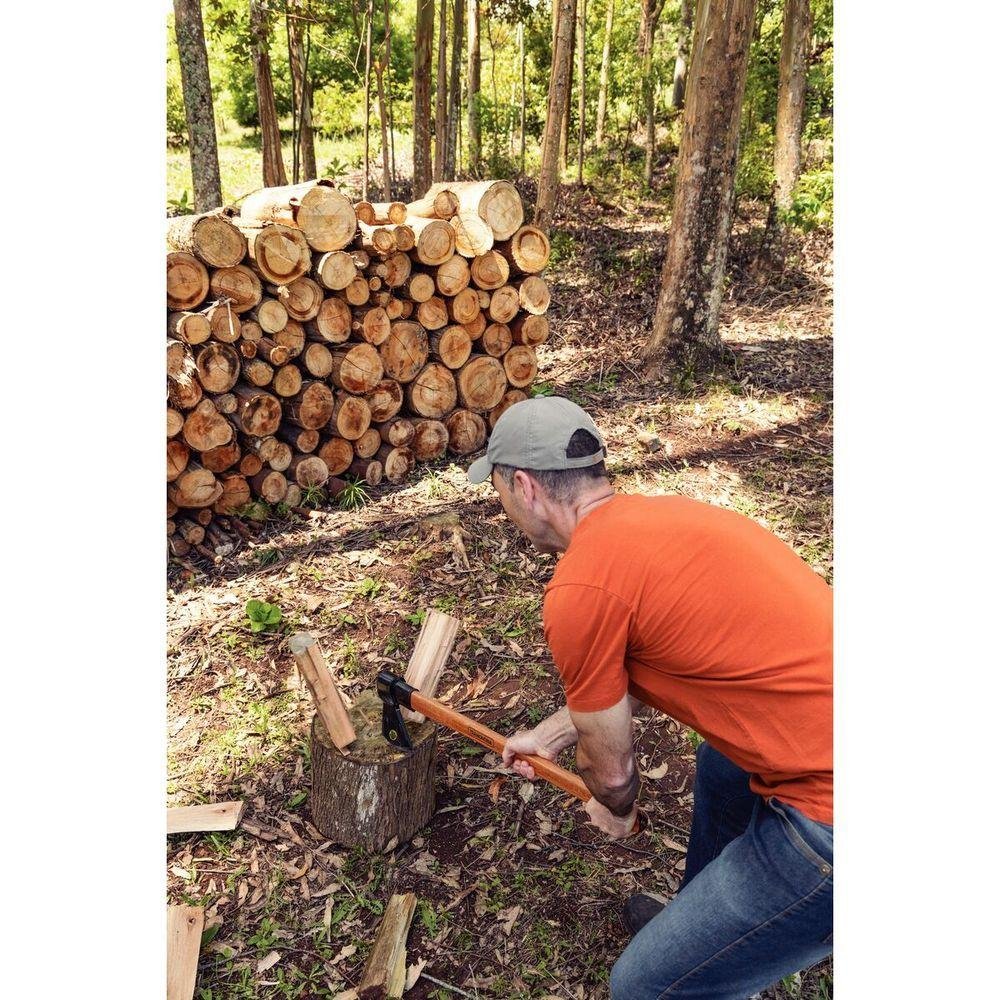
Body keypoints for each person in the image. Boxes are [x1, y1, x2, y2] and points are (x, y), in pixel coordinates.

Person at [467, 396, 833, 1000]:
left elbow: (613, 776)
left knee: (643, 987)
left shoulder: (581, 587)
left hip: (829, 818)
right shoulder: (668, 523)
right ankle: (706, 929)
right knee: (723, 766)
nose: (503, 507)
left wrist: (611, 801)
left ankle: (699, 968)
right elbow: (640, 670)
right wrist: (549, 736)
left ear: (524, 486)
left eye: (500, 491)